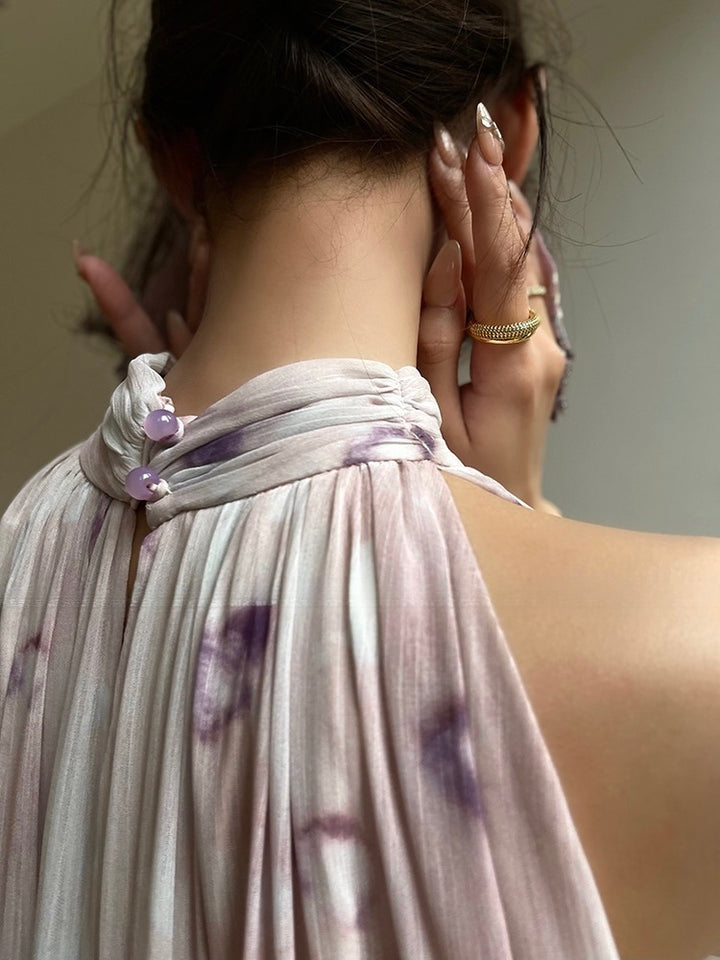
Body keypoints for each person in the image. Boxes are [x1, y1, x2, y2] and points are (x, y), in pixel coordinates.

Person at [2, 3, 720, 960]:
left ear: (171, 158)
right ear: (510, 131)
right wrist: (518, 515)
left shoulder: (19, 562)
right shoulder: (696, 644)